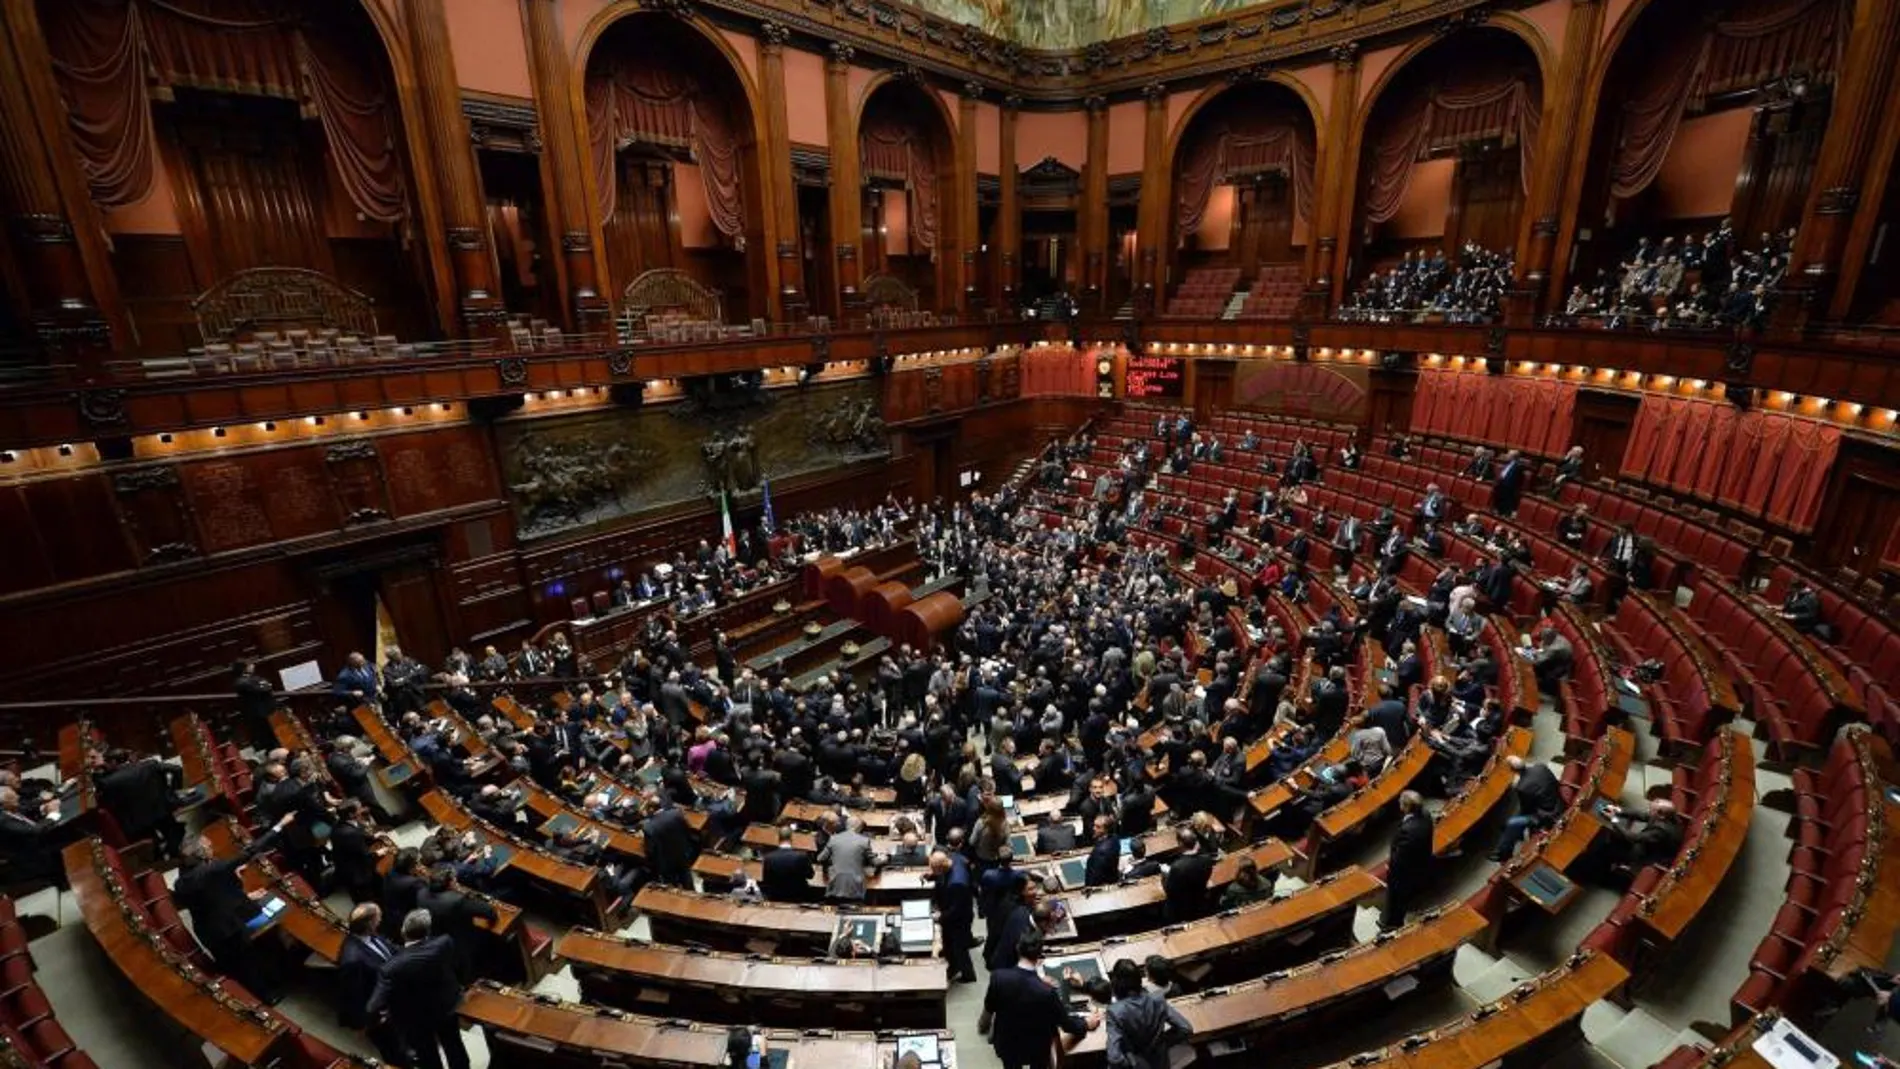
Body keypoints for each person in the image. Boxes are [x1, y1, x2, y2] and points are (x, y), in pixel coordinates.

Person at [173, 811, 297, 1001]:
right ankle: (265, 997)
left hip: (207, 930)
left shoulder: (182, 880)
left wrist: (241, 890)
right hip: (228, 929)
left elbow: (211, 897)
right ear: (202, 853)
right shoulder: (212, 870)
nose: (211, 847)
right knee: (247, 963)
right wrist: (280, 825)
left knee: (235, 965)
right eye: (208, 846)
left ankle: (256, 991)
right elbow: (250, 850)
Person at [368, 909, 472, 1069]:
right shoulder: (444, 942)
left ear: (403, 931)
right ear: (428, 931)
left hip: (416, 1019)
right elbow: (456, 965)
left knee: (427, 1053)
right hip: (446, 1006)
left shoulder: (390, 968)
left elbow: (374, 1005)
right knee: (454, 1045)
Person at [982, 930, 1099, 1069]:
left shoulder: (998, 977)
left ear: (1017, 948)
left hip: (1007, 1044)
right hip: (1036, 1049)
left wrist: (983, 1026)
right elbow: (1067, 1025)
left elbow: (989, 1009)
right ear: (1039, 955)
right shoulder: (1046, 993)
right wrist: (1086, 1024)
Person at [337, 904, 407, 1061]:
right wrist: (372, 1020)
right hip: (381, 1014)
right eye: (378, 918)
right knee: (393, 1049)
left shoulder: (371, 935)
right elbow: (353, 996)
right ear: (369, 923)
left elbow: (390, 949)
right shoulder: (352, 960)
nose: (381, 920)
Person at [1102, 957, 1193, 1069]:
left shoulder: (1114, 1012)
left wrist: (1132, 1060)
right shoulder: (1158, 999)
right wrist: (1162, 1043)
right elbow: (1186, 1029)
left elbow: (1115, 1058)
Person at [417, 863, 498, 983]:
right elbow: (490, 912)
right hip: (462, 942)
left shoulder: (421, 893)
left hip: (438, 938)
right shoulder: (456, 900)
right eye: (454, 879)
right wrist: (461, 892)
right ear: (451, 883)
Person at [1489, 756, 1563, 862]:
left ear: (1512, 770)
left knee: (1514, 822)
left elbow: (1527, 810)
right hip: (1558, 801)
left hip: (1549, 814)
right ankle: (1511, 839)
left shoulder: (1522, 787)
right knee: (1515, 818)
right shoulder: (1540, 767)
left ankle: (1503, 854)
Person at [1382, 791, 1433, 930]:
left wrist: (1390, 866)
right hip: (1420, 864)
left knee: (1396, 901)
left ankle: (1391, 926)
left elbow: (1400, 858)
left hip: (1404, 873)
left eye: (1400, 802)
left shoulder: (1409, 830)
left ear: (1405, 807)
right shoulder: (1426, 815)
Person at [928, 848, 977, 983]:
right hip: (956, 910)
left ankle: (968, 976)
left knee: (959, 948)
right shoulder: (954, 858)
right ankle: (954, 967)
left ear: (941, 866)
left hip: (959, 919)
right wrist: (931, 876)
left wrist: (940, 916)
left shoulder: (957, 883)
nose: (933, 871)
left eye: (934, 869)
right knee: (950, 944)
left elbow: (957, 910)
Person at [816, 816, 877, 902]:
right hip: (855, 888)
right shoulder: (864, 841)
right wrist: (885, 859)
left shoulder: (833, 839)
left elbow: (820, 859)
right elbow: (874, 862)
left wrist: (833, 862)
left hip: (835, 885)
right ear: (859, 827)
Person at [1161, 826, 1214, 922]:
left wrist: (1165, 876)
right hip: (1199, 902)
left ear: (1180, 844)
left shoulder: (1177, 867)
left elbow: (1169, 891)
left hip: (1181, 909)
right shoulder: (1207, 859)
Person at [760, 827, 816, 902]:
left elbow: (766, 880)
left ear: (778, 838)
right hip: (797, 898)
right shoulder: (801, 856)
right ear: (791, 838)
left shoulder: (768, 858)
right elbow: (810, 875)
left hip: (776, 898)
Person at [233, 660, 277, 752]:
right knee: (267, 736)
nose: (253, 665)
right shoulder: (241, 682)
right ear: (244, 668)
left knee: (274, 734)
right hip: (259, 714)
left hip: (266, 711)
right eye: (250, 664)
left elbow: (267, 684)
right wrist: (264, 685)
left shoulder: (252, 678)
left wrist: (265, 685)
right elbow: (264, 688)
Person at [1084, 815, 1122, 887]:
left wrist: (1088, 889)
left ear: (1106, 830)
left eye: (1098, 827)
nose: (1094, 828)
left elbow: (1095, 876)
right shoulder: (1115, 839)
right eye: (1094, 825)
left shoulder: (1101, 852)